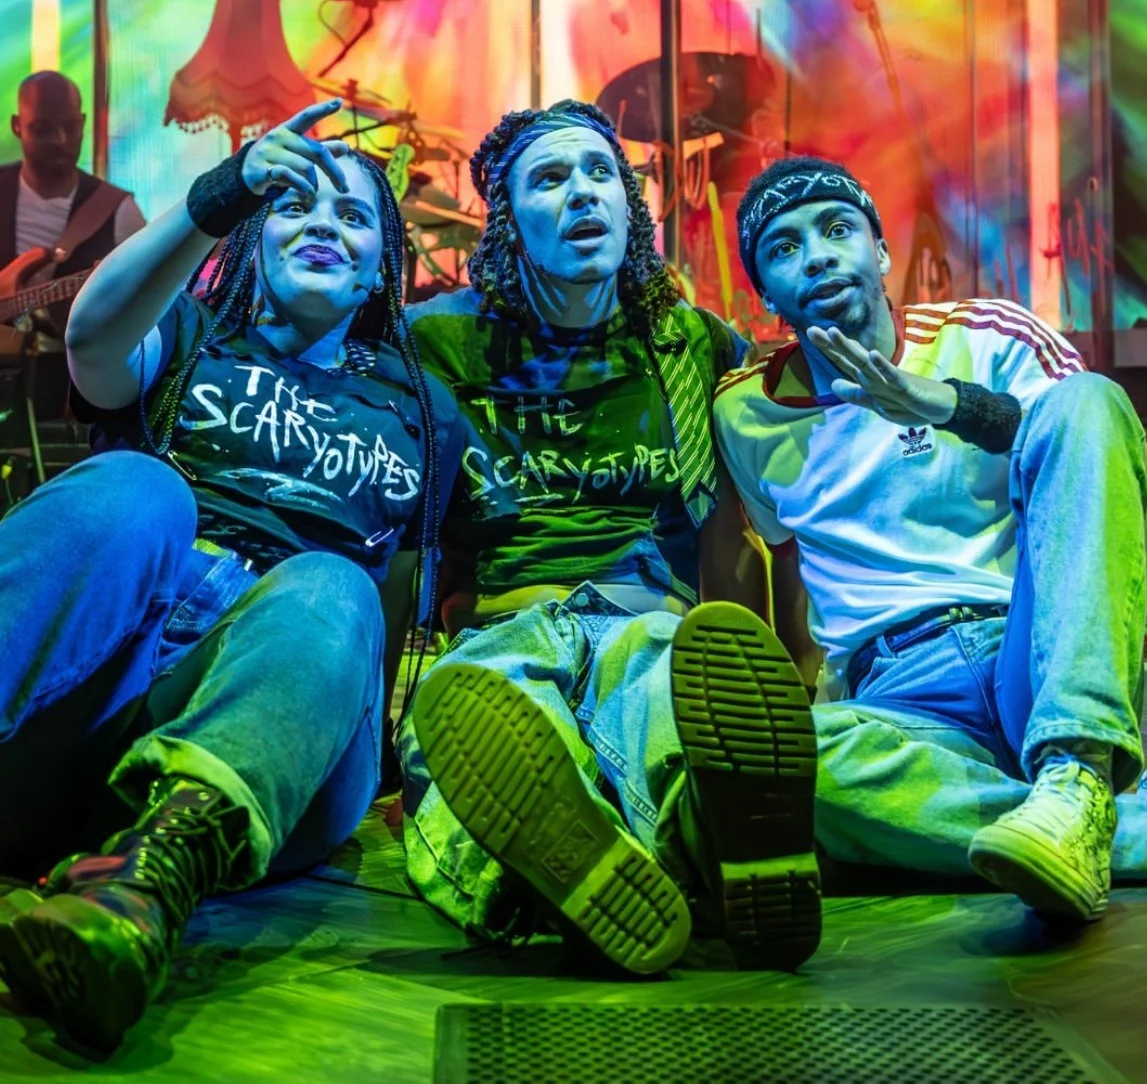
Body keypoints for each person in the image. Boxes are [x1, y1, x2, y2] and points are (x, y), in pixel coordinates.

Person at [0, 101, 462, 1053]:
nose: (324, 224)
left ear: (384, 265)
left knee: (333, 586)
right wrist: (222, 192)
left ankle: (141, 890)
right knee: (138, 491)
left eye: (353, 215)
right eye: (295, 203)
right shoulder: (195, 333)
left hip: (268, 736)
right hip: (98, 684)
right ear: (254, 234)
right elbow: (90, 342)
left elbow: (422, 598)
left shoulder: (425, 410)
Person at [398, 100, 821, 979]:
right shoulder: (438, 342)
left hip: (647, 623)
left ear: (632, 207)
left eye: (601, 176)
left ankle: (696, 852)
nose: (583, 194)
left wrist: (801, 667)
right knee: (483, 741)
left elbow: (766, 494)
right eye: (551, 180)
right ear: (509, 222)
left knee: (668, 722)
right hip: (508, 625)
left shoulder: (691, 342)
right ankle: (638, 866)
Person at [714, 152, 1147, 924]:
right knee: (783, 775)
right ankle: (1100, 814)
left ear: (882, 252)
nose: (817, 254)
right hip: (898, 695)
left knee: (1087, 398)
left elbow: (1120, 455)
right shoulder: (745, 414)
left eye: (836, 229)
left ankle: (1070, 769)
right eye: (784, 248)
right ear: (766, 296)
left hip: (1035, 648)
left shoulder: (989, 337)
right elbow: (787, 577)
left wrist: (953, 406)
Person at [1, 71, 146, 417]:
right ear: (17, 125)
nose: (61, 139)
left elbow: (147, 295)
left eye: (70, 126)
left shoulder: (118, 209)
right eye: (44, 129)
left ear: (83, 122)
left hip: (73, 388)